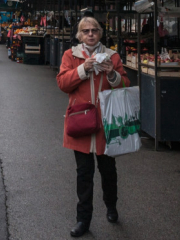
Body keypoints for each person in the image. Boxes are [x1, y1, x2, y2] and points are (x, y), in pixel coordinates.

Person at [57, 16, 129, 238]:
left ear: (100, 33)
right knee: (84, 175)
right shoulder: (71, 56)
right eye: (85, 31)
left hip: (106, 125)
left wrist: (112, 74)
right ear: (79, 35)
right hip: (81, 123)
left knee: (108, 171)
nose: (90, 34)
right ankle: (83, 219)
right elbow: (62, 83)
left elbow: (125, 85)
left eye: (94, 30)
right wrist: (83, 70)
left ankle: (111, 206)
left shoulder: (112, 56)